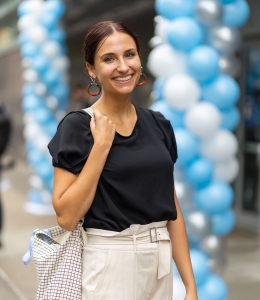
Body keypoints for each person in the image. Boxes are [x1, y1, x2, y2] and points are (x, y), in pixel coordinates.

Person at [48, 21, 198, 300]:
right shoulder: (78, 127)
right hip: (109, 262)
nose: (123, 66)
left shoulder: (159, 124)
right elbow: (66, 217)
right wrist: (100, 147)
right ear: (91, 70)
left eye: (129, 54)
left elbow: (172, 207)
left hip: (159, 263)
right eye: (109, 59)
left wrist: (190, 285)